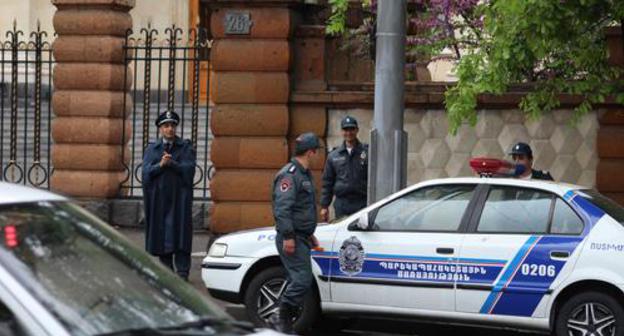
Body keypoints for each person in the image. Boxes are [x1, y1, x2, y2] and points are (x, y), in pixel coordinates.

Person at [271, 132, 321, 334]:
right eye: (317, 151)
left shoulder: (304, 174)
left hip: (302, 237)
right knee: (302, 279)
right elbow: (283, 209)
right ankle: (280, 316)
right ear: (310, 152)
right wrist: (289, 236)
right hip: (292, 238)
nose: (318, 155)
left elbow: (302, 209)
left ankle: (285, 324)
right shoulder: (290, 175)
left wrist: (308, 233)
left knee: (296, 279)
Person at [142, 110, 196, 280]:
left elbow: (189, 171)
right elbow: (145, 173)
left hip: (179, 199)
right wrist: (160, 165)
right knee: (162, 235)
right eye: (166, 126)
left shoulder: (185, 147)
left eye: (172, 125)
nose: (170, 129)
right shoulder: (153, 149)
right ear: (160, 129)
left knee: (181, 235)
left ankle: (182, 273)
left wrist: (171, 163)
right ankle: (167, 273)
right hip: (160, 201)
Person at [320, 116, 368, 222]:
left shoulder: (367, 152)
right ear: (341, 131)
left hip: (362, 202)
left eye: (351, 129)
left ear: (357, 130)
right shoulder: (334, 155)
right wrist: (324, 206)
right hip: (342, 203)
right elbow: (327, 182)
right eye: (346, 130)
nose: (349, 133)